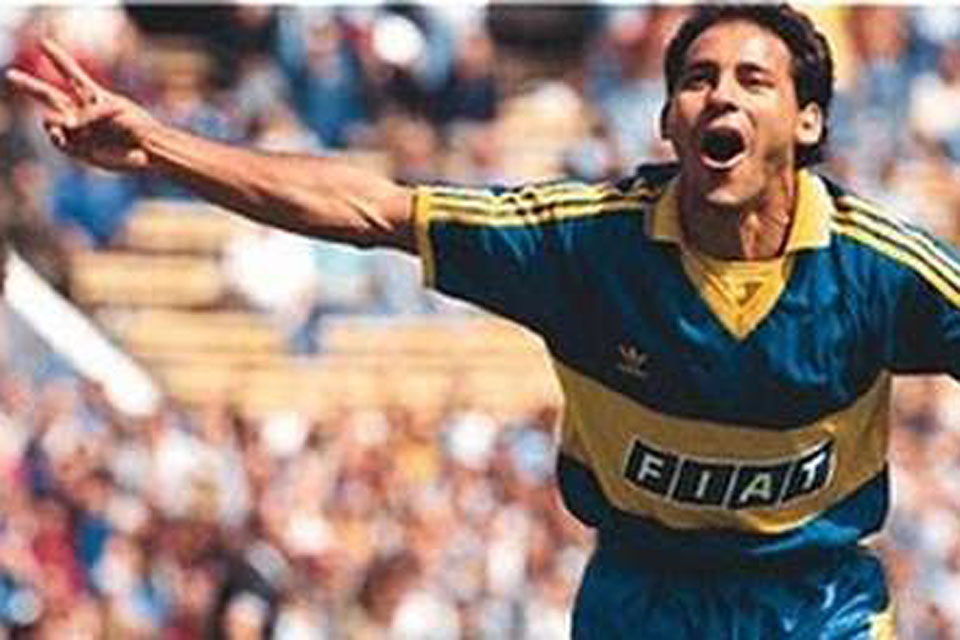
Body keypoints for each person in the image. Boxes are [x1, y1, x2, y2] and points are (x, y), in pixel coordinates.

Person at [7, 5, 959, 638]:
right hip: (644, 599)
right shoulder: (579, 247)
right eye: (700, 77)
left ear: (808, 121)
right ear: (668, 120)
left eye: (754, 80)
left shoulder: (880, 271)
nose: (722, 94)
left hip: (815, 601)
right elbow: (371, 208)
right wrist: (159, 145)